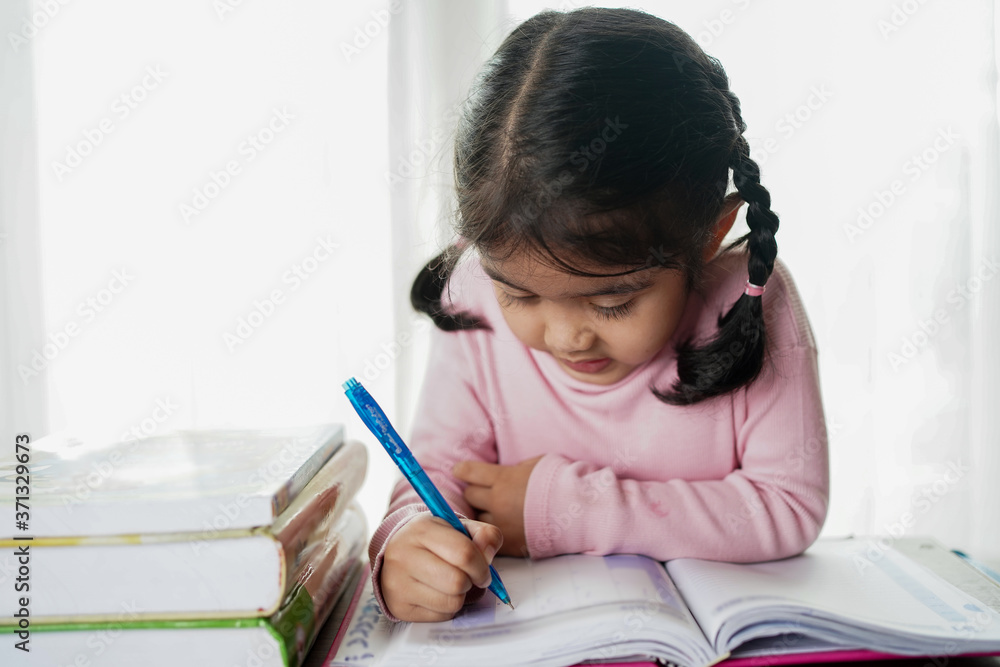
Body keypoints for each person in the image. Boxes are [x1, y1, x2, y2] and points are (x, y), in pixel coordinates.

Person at [369, 6, 830, 623]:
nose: (563, 336)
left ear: (710, 235)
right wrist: (405, 542)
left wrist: (566, 509)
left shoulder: (752, 297)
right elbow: (434, 474)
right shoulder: (473, 290)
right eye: (522, 296)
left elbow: (789, 505)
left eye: (613, 302)